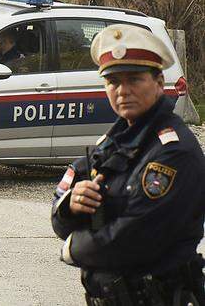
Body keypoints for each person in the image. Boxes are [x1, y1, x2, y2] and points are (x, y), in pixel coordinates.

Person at [51, 24, 205, 306]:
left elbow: (135, 239)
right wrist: (71, 205)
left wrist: (72, 248)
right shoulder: (112, 143)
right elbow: (61, 207)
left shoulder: (174, 151)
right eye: (113, 82)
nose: (123, 91)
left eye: (134, 79)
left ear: (159, 82)